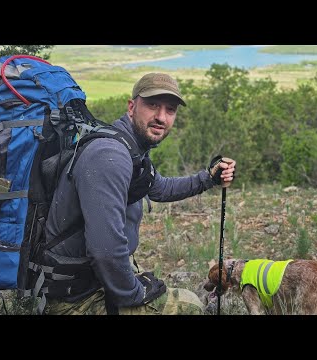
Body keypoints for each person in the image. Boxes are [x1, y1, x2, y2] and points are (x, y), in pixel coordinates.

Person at [42, 72, 236, 315]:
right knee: (191, 306)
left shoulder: (131, 148)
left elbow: (160, 188)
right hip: (77, 299)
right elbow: (106, 252)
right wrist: (137, 294)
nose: (161, 117)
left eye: (170, 110)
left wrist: (208, 178)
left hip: (94, 281)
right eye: (153, 105)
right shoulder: (110, 156)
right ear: (132, 106)